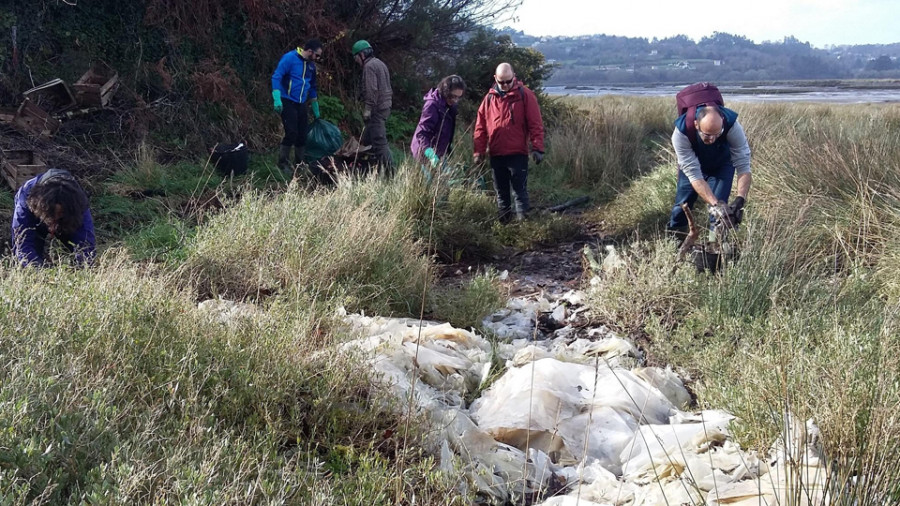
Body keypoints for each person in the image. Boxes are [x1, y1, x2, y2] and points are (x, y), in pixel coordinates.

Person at [666, 101, 752, 240]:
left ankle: (714, 247)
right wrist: (717, 205)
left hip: (722, 165)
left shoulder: (732, 126)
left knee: (718, 217)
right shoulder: (681, 133)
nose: (712, 139)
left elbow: (744, 165)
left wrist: (740, 199)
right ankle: (675, 241)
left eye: (717, 134)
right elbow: (694, 176)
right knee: (681, 205)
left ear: (722, 124)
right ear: (696, 125)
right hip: (692, 166)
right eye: (706, 135)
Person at [473, 63, 545, 222]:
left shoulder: (525, 95)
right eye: (501, 82)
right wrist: (478, 151)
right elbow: (480, 127)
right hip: (496, 154)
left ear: (514, 76)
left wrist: (538, 148)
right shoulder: (489, 99)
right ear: (495, 79)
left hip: (518, 153)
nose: (505, 85)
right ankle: (505, 226)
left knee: (520, 192)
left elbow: (535, 123)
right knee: (501, 193)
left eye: (508, 81)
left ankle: (524, 228)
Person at [11, 168, 95, 267]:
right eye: (52, 213)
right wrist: (34, 269)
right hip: (37, 216)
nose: (55, 218)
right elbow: (22, 242)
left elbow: (86, 244)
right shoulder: (26, 196)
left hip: (69, 218)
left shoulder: (78, 203)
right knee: (29, 256)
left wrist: (82, 268)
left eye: (60, 213)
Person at [272, 39, 323, 175]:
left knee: (302, 134)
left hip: (301, 103)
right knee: (291, 132)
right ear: (310, 51)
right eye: (317, 55)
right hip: (287, 100)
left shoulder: (311, 66)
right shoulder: (290, 58)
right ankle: (282, 163)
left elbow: (312, 87)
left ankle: (300, 163)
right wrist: (277, 98)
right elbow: (276, 77)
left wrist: (315, 108)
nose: (318, 58)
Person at [351, 40, 393, 171]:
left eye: (356, 58)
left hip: (377, 110)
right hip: (386, 106)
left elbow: (371, 90)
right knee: (367, 140)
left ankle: (391, 173)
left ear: (362, 54)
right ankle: (366, 169)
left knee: (380, 143)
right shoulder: (380, 63)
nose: (356, 61)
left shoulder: (369, 67)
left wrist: (367, 109)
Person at [410, 75, 466, 168]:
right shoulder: (432, 105)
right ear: (445, 91)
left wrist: (447, 150)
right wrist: (430, 154)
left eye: (458, 97)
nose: (455, 100)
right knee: (429, 181)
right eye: (453, 96)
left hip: (440, 153)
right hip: (424, 153)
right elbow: (421, 133)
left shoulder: (452, 106)